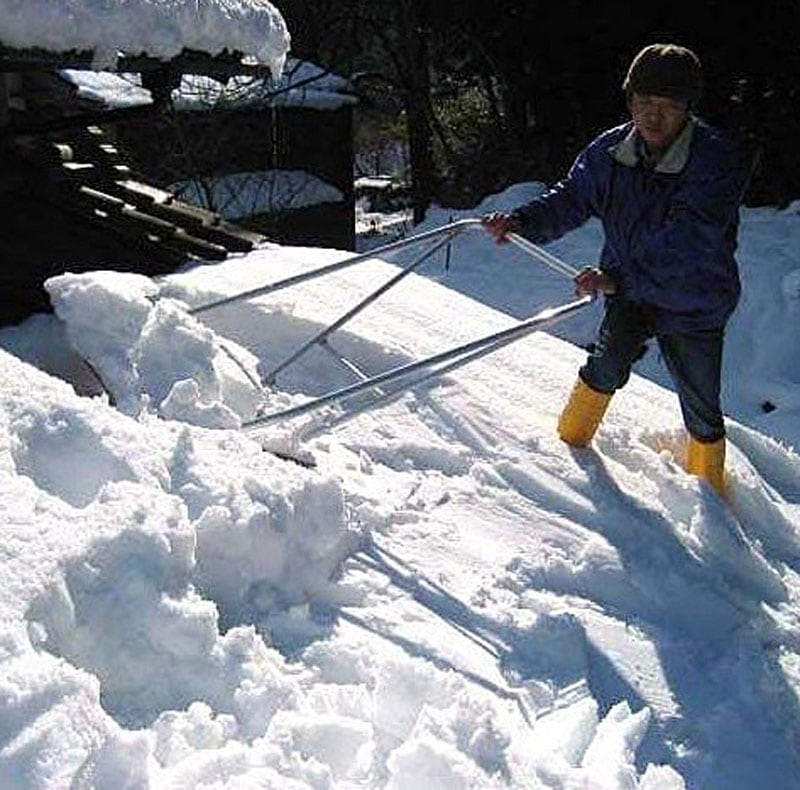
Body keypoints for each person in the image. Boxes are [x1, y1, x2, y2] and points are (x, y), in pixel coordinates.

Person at [483, 43, 749, 496]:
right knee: (605, 365)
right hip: (631, 292)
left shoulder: (715, 160)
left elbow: (690, 241)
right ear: (630, 101)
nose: (654, 116)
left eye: (668, 106)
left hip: (694, 300)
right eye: (644, 102)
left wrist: (616, 278)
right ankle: (566, 453)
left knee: (701, 405)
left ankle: (713, 502)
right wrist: (523, 221)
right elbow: (571, 198)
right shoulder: (610, 152)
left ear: (688, 108)